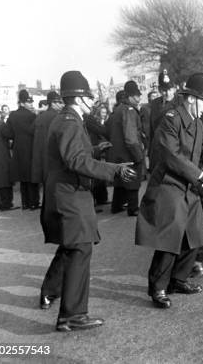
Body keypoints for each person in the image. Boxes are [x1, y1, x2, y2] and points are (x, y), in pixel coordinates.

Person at [40, 70, 136, 331]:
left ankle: (50, 292)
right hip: (71, 195)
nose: (92, 103)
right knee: (80, 249)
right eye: (89, 98)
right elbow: (75, 161)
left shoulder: (67, 120)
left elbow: (72, 154)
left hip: (66, 193)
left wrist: (95, 150)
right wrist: (113, 170)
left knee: (72, 247)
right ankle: (71, 316)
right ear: (79, 98)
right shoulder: (70, 122)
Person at [135, 72, 203, 309]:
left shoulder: (198, 123)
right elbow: (172, 156)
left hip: (189, 186)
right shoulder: (170, 119)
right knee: (170, 239)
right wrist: (199, 175)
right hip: (169, 186)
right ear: (191, 99)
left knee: (195, 235)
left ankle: (178, 280)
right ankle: (158, 287)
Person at [107, 81, 145, 216]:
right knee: (133, 180)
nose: (139, 98)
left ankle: (116, 206)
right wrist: (138, 156)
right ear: (130, 96)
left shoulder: (118, 109)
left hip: (116, 153)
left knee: (119, 181)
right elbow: (130, 137)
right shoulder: (129, 111)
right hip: (128, 153)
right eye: (136, 96)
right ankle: (133, 208)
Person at [3, 89, 40, 210]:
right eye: (28, 102)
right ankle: (34, 202)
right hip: (31, 148)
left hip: (18, 149)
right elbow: (36, 132)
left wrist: (15, 136)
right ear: (23, 103)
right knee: (31, 176)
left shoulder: (12, 115)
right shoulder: (32, 116)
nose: (31, 104)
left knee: (23, 177)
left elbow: (6, 132)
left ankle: (25, 203)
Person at [31, 91, 63, 186]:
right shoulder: (58, 117)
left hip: (41, 157)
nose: (61, 105)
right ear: (53, 103)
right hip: (53, 158)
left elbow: (31, 131)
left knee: (46, 186)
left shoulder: (40, 117)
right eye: (59, 102)